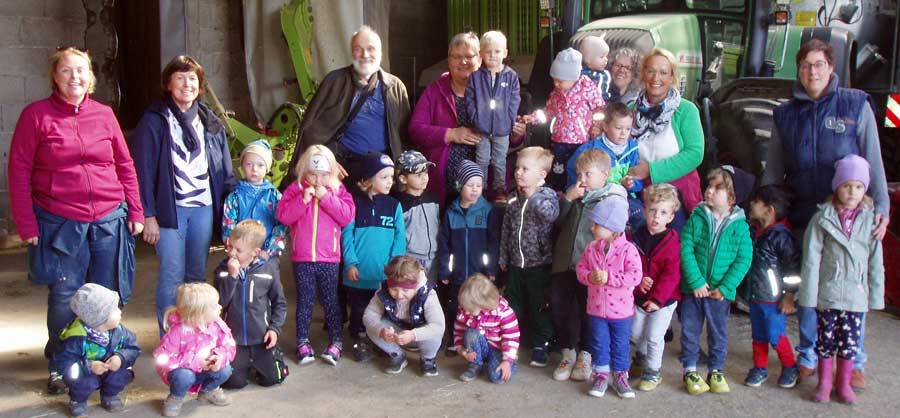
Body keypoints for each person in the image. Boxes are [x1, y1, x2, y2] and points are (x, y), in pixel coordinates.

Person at [8, 46, 144, 394]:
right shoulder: (36, 116)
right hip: (60, 221)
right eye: (66, 70)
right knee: (65, 294)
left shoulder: (103, 114)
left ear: (91, 77)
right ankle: (61, 363)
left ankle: (103, 360)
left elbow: (125, 164)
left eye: (81, 70)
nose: (75, 77)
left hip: (108, 218)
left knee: (106, 296)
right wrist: (27, 223)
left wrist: (136, 211)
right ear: (55, 77)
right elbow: (19, 170)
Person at [762, 39, 889, 387]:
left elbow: (873, 164)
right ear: (798, 70)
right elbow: (773, 170)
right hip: (806, 215)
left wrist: (882, 208)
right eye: (805, 65)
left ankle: (853, 360)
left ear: (831, 68)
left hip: (851, 217)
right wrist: (771, 214)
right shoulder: (785, 115)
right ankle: (808, 356)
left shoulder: (855, 105)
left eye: (819, 65)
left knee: (850, 292)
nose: (812, 71)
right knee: (808, 288)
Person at [131, 55, 235, 335]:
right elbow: (142, 170)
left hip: (203, 207)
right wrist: (148, 215)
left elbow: (225, 170)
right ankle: (170, 337)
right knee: (172, 276)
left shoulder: (209, 121)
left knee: (196, 276)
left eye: (192, 78)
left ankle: (193, 334)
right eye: (180, 77)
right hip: (170, 211)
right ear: (168, 83)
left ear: (200, 85)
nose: (187, 84)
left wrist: (229, 214)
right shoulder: (154, 121)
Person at [799, 155, 884, 404]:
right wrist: (810, 297)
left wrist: (875, 297)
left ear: (864, 190)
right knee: (825, 341)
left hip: (856, 296)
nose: (852, 192)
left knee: (850, 342)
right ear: (837, 186)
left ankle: (843, 384)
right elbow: (811, 261)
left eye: (858, 187)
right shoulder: (822, 218)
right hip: (829, 293)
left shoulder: (871, 222)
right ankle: (824, 383)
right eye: (847, 185)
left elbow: (875, 263)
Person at [410, 32, 528, 204]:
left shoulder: (499, 85)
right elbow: (415, 130)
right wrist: (451, 134)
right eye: (456, 56)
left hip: (485, 189)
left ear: (479, 59)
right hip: (445, 187)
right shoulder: (434, 91)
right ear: (448, 60)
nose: (463, 61)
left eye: (468, 56)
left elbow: (509, 134)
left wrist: (517, 134)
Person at [286, 25, 410, 184]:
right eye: (358, 49)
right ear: (352, 52)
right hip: (342, 168)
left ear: (380, 53)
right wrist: (328, 161)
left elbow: (405, 135)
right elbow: (311, 130)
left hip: (383, 171)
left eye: (371, 49)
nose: (365, 55)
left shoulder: (395, 87)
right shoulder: (334, 82)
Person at [550, 149, 627, 382]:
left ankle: (586, 354)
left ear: (605, 174)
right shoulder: (576, 196)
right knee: (561, 305)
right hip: (564, 262)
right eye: (578, 173)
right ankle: (568, 352)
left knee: (588, 310)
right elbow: (557, 223)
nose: (581, 179)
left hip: (591, 267)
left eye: (588, 174)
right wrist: (567, 200)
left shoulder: (611, 200)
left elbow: (615, 237)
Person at [679, 166, 754, 395]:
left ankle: (715, 370)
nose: (709, 191)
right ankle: (690, 370)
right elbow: (686, 248)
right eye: (709, 186)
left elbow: (744, 259)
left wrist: (726, 287)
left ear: (732, 197)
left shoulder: (740, 226)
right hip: (694, 290)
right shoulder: (697, 216)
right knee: (690, 331)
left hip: (719, 293)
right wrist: (696, 281)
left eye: (717, 188)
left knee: (718, 332)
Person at [277, 145, 355, 365]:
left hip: (329, 258)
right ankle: (302, 342)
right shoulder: (295, 189)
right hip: (302, 258)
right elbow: (283, 216)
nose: (318, 180)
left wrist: (327, 198)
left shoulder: (338, 190)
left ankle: (336, 342)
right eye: (313, 174)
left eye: (324, 175)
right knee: (305, 300)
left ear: (332, 172)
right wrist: (302, 200)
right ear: (304, 170)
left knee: (331, 300)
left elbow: (347, 216)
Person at [628, 48, 705, 226]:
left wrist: (651, 170)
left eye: (663, 72)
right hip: (637, 189)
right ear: (642, 74)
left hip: (676, 193)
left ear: (672, 78)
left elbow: (695, 153)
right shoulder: (631, 108)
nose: (656, 78)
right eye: (651, 71)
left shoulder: (685, 110)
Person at [342, 152, 407, 361]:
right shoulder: (354, 203)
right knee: (359, 310)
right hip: (358, 275)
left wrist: (396, 265)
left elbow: (399, 238)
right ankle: (359, 340)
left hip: (384, 276)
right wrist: (350, 263)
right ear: (368, 179)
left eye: (392, 177)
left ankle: (380, 340)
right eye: (384, 177)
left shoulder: (394, 205)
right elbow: (347, 236)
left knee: (383, 311)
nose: (391, 181)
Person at [576, 195, 642, 399]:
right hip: (596, 309)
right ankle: (602, 375)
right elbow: (580, 270)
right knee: (599, 342)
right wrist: (590, 277)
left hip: (621, 312)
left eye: (597, 224)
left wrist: (609, 278)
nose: (592, 228)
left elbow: (636, 276)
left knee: (621, 344)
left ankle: (620, 376)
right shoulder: (591, 249)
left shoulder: (628, 250)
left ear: (612, 228)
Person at [499, 147, 560, 367]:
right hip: (515, 263)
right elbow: (507, 227)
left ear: (541, 175)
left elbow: (551, 215)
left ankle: (541, 344)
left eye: (525, 168)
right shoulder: (513, 198)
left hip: (539, 264)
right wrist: (503, 255)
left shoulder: (547, 196)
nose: (518, 173)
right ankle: (510, 343)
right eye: (517, 168)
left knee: (538, 306)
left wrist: (532, 195)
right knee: (513, 303)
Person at [435, 160, 500, 356]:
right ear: (459, 185)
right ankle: (455, 341)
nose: (475, 190)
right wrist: (445, 269)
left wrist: (491, 270)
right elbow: (444, 244)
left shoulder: (487, 210)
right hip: (457, 274)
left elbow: (493, 242)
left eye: (478, 185)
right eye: (470, 185)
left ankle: (478, 343)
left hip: (479, 274)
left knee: (478, 309)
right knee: (455, 307)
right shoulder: (450, 212)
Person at [214, 220, 287, 389]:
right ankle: (244, 366)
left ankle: (270, 357)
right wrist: (231, 277)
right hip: (235, 340)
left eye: (238, 250)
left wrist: (274, 329)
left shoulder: (268, 270)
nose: (232, 253)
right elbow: (220, 302)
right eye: (230, 247)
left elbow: (279, 303)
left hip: (261, 338)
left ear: (255, 252)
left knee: (273, 379)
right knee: (233, 383)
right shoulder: (223, 270)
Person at [743, 185, 801, 389]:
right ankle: (759, 368)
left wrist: (789, 296)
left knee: (776, 335)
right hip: (755, 296)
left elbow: (792, 270)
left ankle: (790, 366)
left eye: (757, 201)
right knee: (758, 335)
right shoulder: (753, 231)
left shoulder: (781, 236)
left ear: (770, 210)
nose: (751, 204)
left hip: (773, 299)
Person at [629, 183, 682, 392]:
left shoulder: (671, 242)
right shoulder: (635, 237)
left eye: (663, 213)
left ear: (670, 217)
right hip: (640, 296)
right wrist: (638, 280)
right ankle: (640, 358)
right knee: (635, 333)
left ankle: (653, 372)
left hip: (664, 300)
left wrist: (658, 299)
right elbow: (630, 264)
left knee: (653, 336)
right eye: (652, 210)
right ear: (644, 210)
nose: (656, 217)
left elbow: (672, 275)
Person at [153, 283, 236, 417]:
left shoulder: (217, 325)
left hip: (207, 369)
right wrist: (196, 363)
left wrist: (219, 358)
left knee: (226, 370)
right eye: (215, 306)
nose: (220, 307)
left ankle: (208, 390)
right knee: (184, 377)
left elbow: (228, 346)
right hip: (184, 372)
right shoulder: (178, 331)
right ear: (199, 313)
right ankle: (175, 397)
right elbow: (163, 359)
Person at [57, 284, 140, 417]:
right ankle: (77, 400)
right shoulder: (76, 337)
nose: (120, 311)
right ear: (99, 318)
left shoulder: (119, 331)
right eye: (114, 309)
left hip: (109, 370)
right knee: (84, 382)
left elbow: (134, 348)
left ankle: (109, 395)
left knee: (120, 375)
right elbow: (63, 363)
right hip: (87, 373)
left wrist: (121, 357)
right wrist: (89, 366)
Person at [364, 256, 445, 376]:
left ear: (415, 285)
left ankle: (427, 359)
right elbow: (369, 314)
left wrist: (414, 334)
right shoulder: (384, 292)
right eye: (394, 289)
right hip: (395, 334)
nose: (399, 295)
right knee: (371, 328)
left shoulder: (428, 295)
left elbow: (438, 326)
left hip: (421, 335)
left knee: (435, 334)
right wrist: (381, 330)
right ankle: (397, 355)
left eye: (405, 291)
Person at [566, 102, 643, 226]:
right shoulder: (589, 150)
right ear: (605, 126)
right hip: (595, 198)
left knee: (639, 214)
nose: (624, 133)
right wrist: (579, 191)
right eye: (618, 128)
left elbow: (638, 177)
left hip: (625, 198)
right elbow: (573, 172)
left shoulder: (633, 150)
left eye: (628, 129)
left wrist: (632, 184)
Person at [466, 30, 521, 203]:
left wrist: (509, 120)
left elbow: (514, 100)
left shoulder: (511, 76)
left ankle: (500, 189)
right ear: (481, 54)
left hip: (502, 128)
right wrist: (476, 119)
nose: (493, 55)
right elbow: (470, 99)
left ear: (505, 53)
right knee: (481, 159)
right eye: (488, 51)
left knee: (499, 160)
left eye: (497, 51)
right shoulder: (475, 77)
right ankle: (479, 189)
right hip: (481, 129)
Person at [542, 47, 604, 191]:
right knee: (559, 169)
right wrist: (533, 118)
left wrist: (597, 124)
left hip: (580, 140)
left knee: (578, 168)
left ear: (573, 77)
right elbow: (549, 111)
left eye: (560, 81)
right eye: (554, 80)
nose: (556, 84)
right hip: (559, 139)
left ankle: (579, 191)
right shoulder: (556, 94)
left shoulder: (587, 88)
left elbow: (599, 107)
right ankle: (558, 192)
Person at [221, 140, 287, 263]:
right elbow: (228, 226)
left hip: (266, 257)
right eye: (249, 164)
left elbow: (280, 226)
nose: (254, 169)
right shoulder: (234, 197)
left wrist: (269, 251)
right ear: (242, 165)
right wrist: (235, 250)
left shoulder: (275, 197)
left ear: (267, 168)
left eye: (260, 165)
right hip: (240, 257)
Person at [453, 274, 520, 384]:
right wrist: (461, 349)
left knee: (497, 377)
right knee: (470, 334)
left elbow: (511, 339)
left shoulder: (504, 313)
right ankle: (475, 364)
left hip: (499, 349)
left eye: (469, 309)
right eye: (464, 307)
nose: (466, 311)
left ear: (482, 304)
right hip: (481, 346)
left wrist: (507, 361)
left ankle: (510, 363)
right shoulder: (465, 309)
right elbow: (458, 330)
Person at [392, 150, 441, 282]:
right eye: (419, 174)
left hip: (434, 258)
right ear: (403, 179)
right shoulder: (398, 204)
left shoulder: (434, 198)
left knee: (430, 295)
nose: (425, 177)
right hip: (411, 260)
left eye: (425, 173)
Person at [579, 34, 612, 101]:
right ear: (589, 59)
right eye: (602, 57)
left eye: (606, 56)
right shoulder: (581, 75)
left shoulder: (605, 74)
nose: (606, 59)